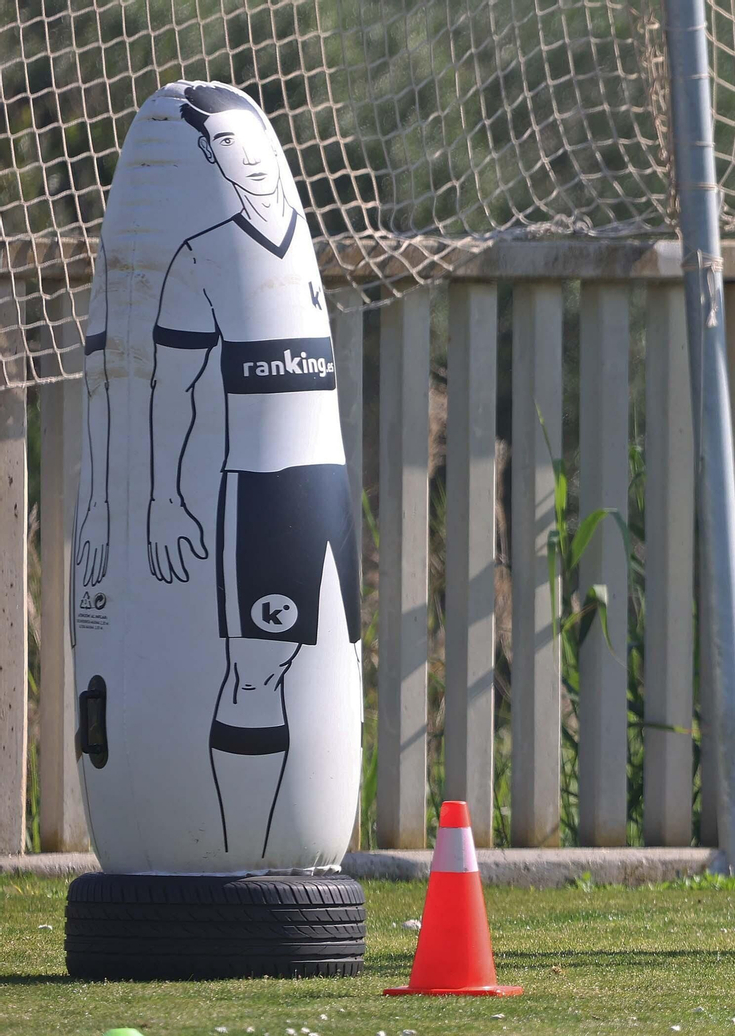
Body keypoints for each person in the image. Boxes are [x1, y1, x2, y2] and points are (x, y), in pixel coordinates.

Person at [145, 83, 359, 858]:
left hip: (324, 487)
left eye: (253, 141)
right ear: (211, 159)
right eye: (227, 145)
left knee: (334, 662)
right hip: (261, 492)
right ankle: (241, 869)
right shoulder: (199, 258)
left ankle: (298, 864)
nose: (250, 158)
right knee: (256, 671)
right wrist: (165, 498)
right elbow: (171, 388)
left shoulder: (303, 243)